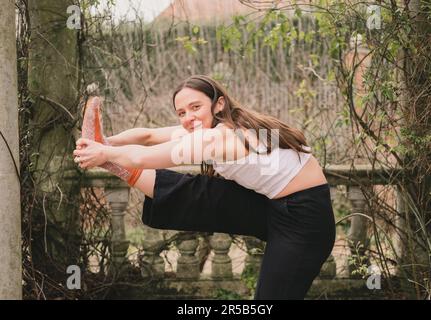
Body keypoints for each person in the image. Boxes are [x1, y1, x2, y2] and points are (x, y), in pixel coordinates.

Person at [73, 75, 336, 299]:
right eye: (182, 113)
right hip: (274, 206)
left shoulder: (220, 138)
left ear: (218, 104)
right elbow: (148, 136)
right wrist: (105, 142)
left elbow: (143, 156)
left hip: (306, 223)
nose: (188, 118)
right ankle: (117, 167)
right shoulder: (210, 128)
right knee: (199, 193)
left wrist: (103, 153)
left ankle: (113, 164)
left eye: (195, 107)